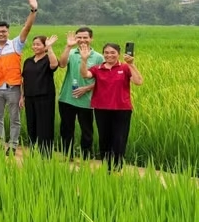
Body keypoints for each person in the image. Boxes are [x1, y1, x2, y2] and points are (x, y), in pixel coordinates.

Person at [79, 43, 143, 171]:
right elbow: (85, 74)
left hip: (122, 109)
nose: (109, 55)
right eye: (106, 52)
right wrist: (84, 59)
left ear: (118, 54)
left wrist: (131, 64)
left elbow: (138, 81)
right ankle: (107, 167)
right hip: (101, 109)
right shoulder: (98, 68)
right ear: (103, 54)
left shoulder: (124, 68)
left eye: (113, 52)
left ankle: (117, 168)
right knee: (104, 138)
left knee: (119, 139)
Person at [0, 0, 39, 154]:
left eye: (3, 31)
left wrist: (33, 10)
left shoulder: (16, 44)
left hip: (13, 87)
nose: (0, 34)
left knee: (14, 118)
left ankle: (13, 145)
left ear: (8, 32)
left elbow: (27, 28)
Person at [58, 27, 104, 160]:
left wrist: (87, 88)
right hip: (67, 98)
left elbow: (103, 80)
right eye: (79, 37)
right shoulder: (71, 53)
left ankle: (86, 157)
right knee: (66, 129)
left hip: (87, 100)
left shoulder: (98, 57)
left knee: (87, 131)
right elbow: (61, 64)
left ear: (91, 39)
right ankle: (67, 156)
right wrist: (67, 46)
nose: (82, 40)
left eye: (85, 37)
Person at [20, 35, 59, 155]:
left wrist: (50, 47)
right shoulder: (28, 61)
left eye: (38, 44)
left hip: (45, 97)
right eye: (34, 44)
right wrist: (22, 97)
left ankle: (45, 154)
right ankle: (33, 150)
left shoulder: (48, 59)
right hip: (30, 97)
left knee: (45, 125)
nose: (35, 47)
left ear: (44, 46)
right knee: (31, 124)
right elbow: (24, 80)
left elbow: (54, 65)